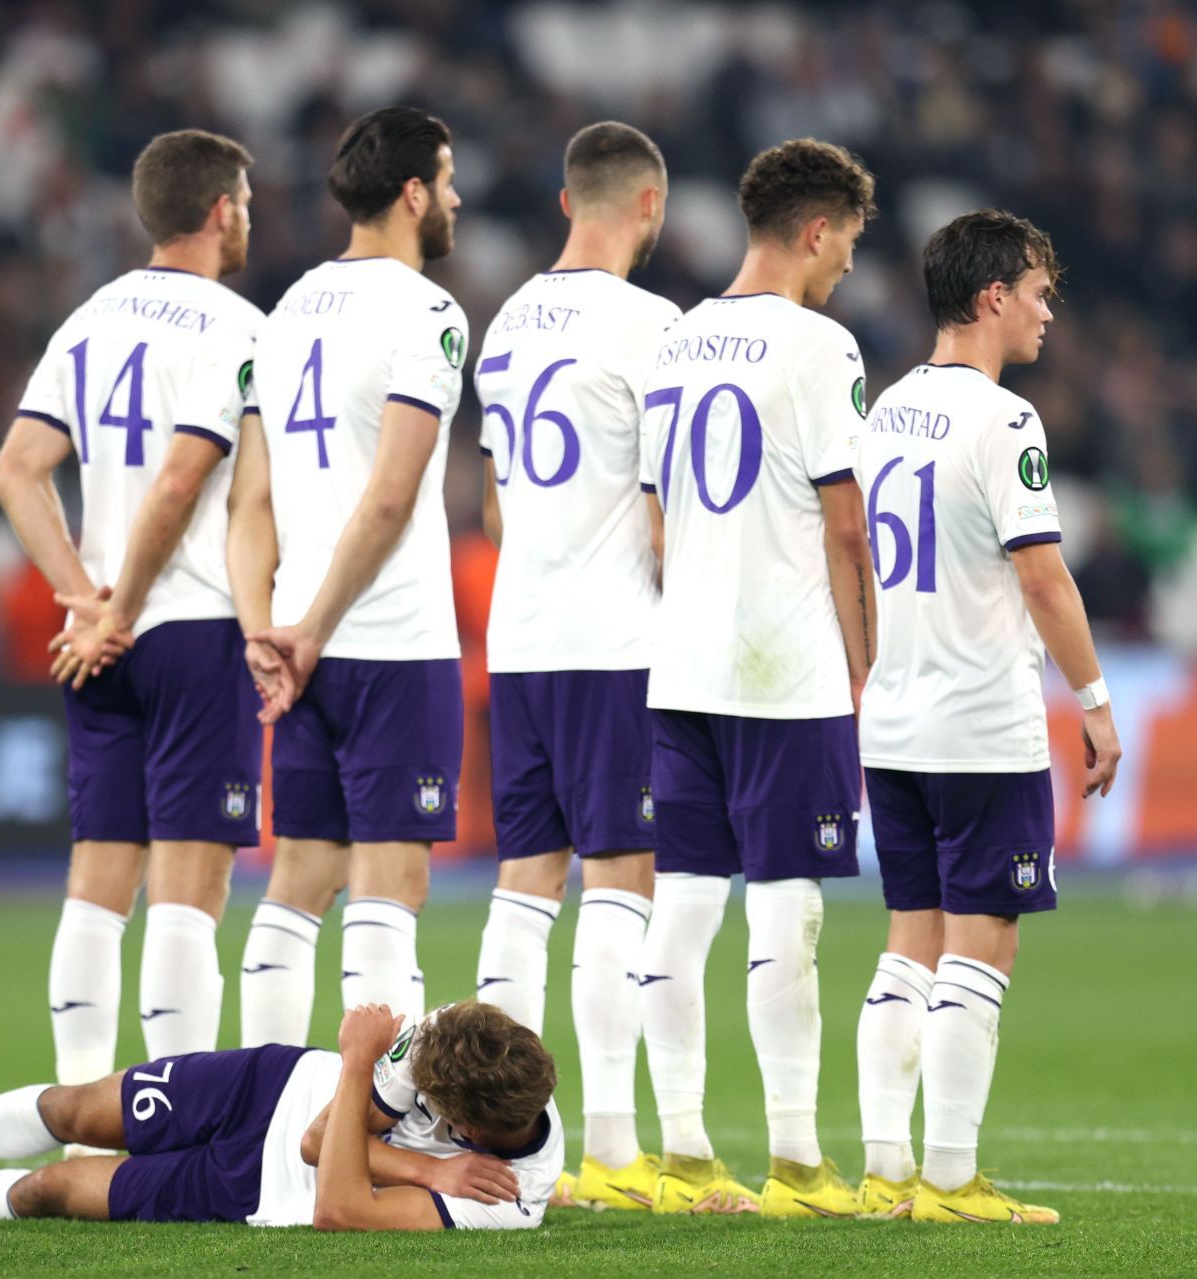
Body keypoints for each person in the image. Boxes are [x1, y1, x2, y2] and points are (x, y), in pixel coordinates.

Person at [0, 130, 265, 1130]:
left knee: (98, 882)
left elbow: (17, 468)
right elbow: (187, 479)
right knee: (190, 890)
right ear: (222, 209)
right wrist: (128, 604)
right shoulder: (238, 326)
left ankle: (77, 1116)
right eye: (246, 200)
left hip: (97, 641)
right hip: (190, 625)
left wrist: (83, 600)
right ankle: (175, 1124)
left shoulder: (89, 318)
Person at [852, 209, 1121, 1226]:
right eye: (1041, 292)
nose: (1050, 313)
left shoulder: (884, 412)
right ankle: (953, 1180)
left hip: (896, 719)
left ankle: (884, 1172)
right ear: (992, 296)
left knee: (906, 941)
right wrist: (1094, 703)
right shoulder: (1005, 423)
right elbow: (1046, 580)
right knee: (983, 946)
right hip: (979, 720)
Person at [635, 138, 879, 1216]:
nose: (851, 270)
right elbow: (847, 530)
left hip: (682, 665)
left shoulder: (676, 340)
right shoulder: (821, 348)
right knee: (789, 913)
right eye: (851, 245)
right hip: (787, 672)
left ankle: (684, 1153)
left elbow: (652, 523)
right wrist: (871, 672)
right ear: (816, 230)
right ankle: (795, 1162)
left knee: (680, 909)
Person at [467, 121, 678, 1211]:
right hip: (614, 642)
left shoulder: (503, 325)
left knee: (525, 883)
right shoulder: (654, 327)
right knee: (623, 881)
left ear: (566, 202)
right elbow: (664, 518)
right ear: (650, 205)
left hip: (524, 638)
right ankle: (610, 1148)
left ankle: (498, 1141)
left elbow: (497, 504)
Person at [230, 107, 468, 1044]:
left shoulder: (286, 310)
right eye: (446, 181)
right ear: (413, 193)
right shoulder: (428, 312)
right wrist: (318, 625)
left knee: (297, 880)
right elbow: (391, 497)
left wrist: (268, 628)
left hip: (296, 646)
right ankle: (371, 1125)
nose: (454, 198)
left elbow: (248, 505)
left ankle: (259, 1108)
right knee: (389, 887)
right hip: (387, 642)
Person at [0, 999, 563, 1232]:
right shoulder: (463, 1037)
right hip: (268, 1082)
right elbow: (327, 1134)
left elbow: (339, 1199)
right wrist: (423, 1164)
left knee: (56, 1188)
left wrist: (358, 1062)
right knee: (76, 1105)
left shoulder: (507, 1199)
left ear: (477, 1127)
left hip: (251, 1188)